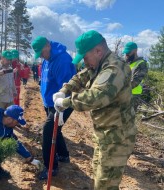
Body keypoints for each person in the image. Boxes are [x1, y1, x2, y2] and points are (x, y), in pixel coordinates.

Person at [53, 30, 137, 190]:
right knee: (99, 179)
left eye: (85, 57)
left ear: (98, 51)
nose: (84, 63)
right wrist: (65, 89)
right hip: (104, 135)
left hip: (117, 137)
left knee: (105, 185)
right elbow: (81, 76)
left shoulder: (114, 68)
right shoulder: (98, 64)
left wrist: (65, 102)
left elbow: (96, 97)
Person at [31, 36, 76, 180]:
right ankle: (63, 155)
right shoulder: (46, 59)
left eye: (42, 52)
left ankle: (51, 167)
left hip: (61, 103)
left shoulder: (62, 60)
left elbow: (68, 87)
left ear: (48, 46)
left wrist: (61, 107)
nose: (42, 56)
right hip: (50, 103)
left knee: (48, 132)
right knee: (56, 129)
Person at [123, 42, 148, 111]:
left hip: (134, 95)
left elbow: (135, 82)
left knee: (129, 118)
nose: (126, 54)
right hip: (124, 94)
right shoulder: (128, 63)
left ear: (135, 51)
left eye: (128, 52)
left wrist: (119, 89)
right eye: (126, 52)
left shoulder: (141, 64)